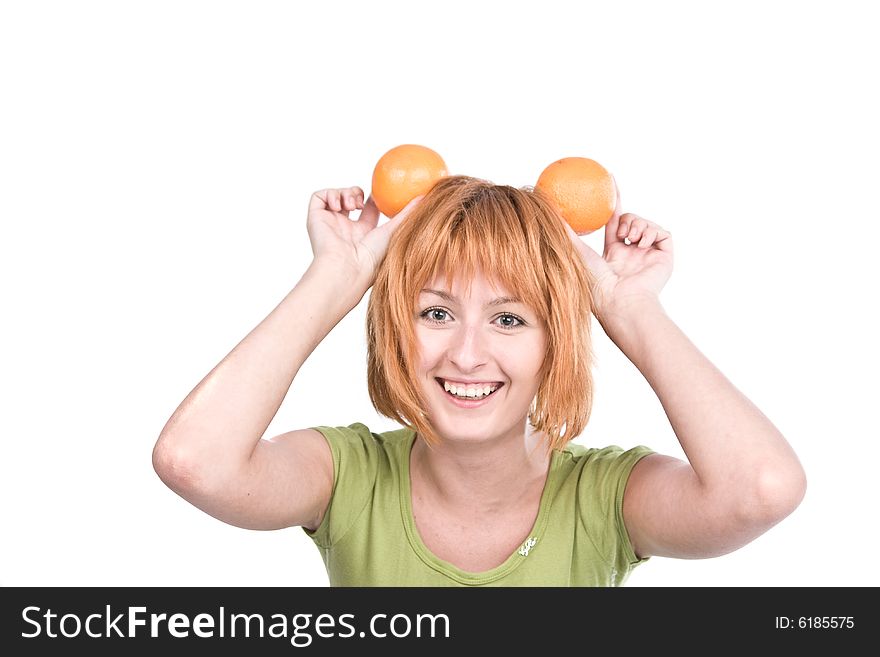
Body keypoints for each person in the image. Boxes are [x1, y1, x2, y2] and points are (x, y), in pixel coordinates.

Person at [152, 175, 806, 586]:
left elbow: (762, 489)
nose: (467, 353)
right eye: (436, 312)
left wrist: (628, 308)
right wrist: (339, 276)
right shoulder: (347, 474)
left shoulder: (603, 497)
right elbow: (194, 461)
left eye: (510, 318)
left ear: (556, 345)